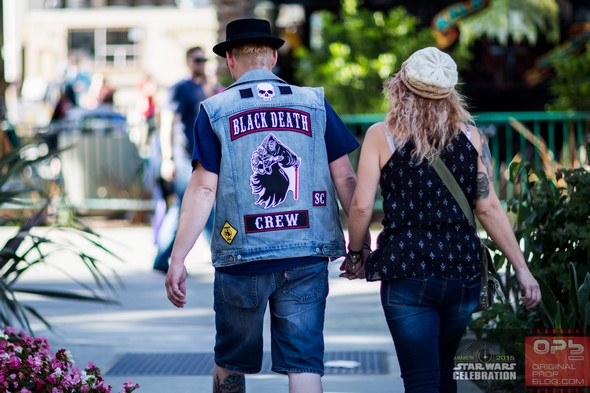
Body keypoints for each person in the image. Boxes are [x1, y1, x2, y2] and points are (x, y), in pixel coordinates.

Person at [165, 18, 362, 393]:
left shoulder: (214, 110)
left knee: (230, 361)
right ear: (272, 57)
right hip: (306, 254)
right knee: (304, 365)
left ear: (231, 62)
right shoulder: (314, 103)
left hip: (242, 259)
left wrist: (178, 258)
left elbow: (204, 188)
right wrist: (359, 245)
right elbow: (347, 179)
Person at [341, 47, 541, 393]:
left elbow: (360, 207)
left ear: (400, 85)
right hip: (461, 270)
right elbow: (488, 208)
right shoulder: (472, 137)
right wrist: (521, 268)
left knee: (421, 379)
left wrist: (357, 254)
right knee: (445, 373)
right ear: (450, 93)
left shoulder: (381, 135)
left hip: (406, 268)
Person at [153, 46, 215, 273]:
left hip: (200, 157)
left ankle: (164, 257)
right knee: (182, 206)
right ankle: (163, 257)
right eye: (197, 60)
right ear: (188, 61)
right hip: (182, 156)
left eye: (203, 60)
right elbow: (167, 121)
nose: (201, 64)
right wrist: (167, 157)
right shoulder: (180, 88)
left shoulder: (205, 88)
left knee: (194, 206)